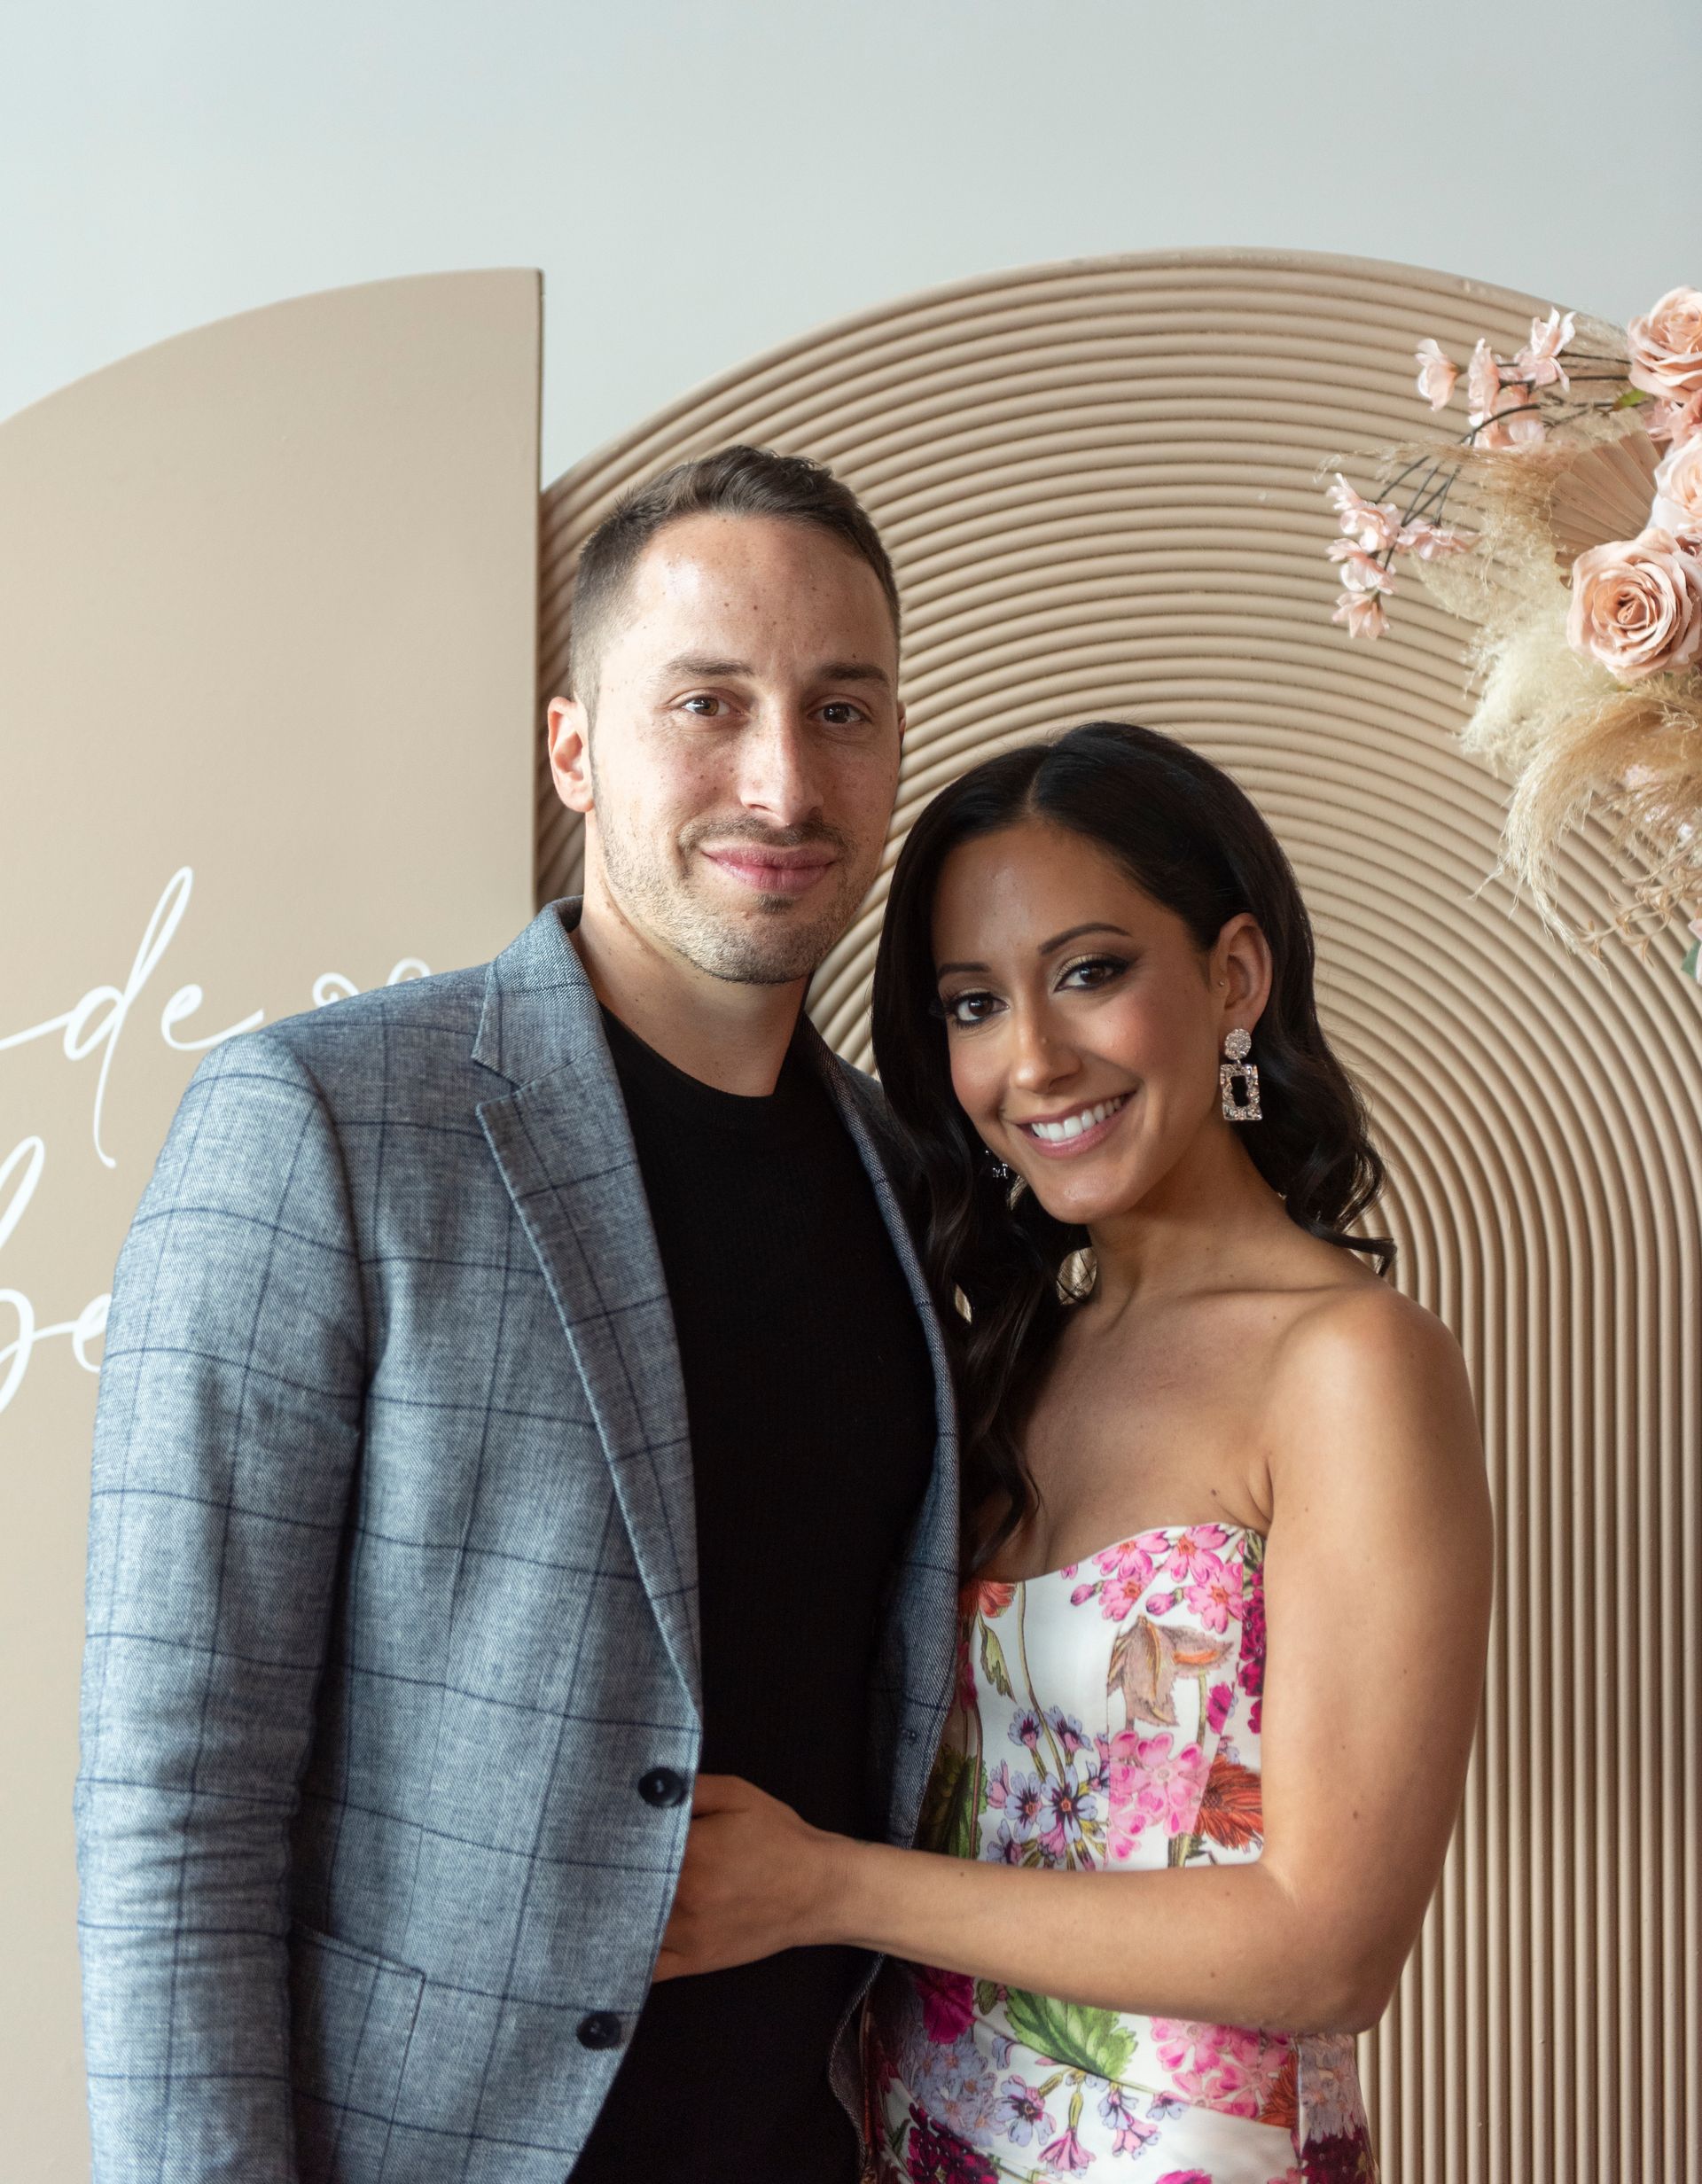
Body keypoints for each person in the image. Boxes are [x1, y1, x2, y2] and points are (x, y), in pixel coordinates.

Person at [74, 446, 960, 2184]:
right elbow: (175, 1798)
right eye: (708, 702)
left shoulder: (907, 1176)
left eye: (840, 707)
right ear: (575, 748)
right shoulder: (317, 1120)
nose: (783, 777)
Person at [652, 722, 1495, 2183]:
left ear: (1234, 975)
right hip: (921, 2142)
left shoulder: (1354, 1367)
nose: (1033, 1058)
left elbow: (1326, 1947)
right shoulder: (1004, 1348)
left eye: (1092, 973)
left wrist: (825, 1888)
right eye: (973, 1004)